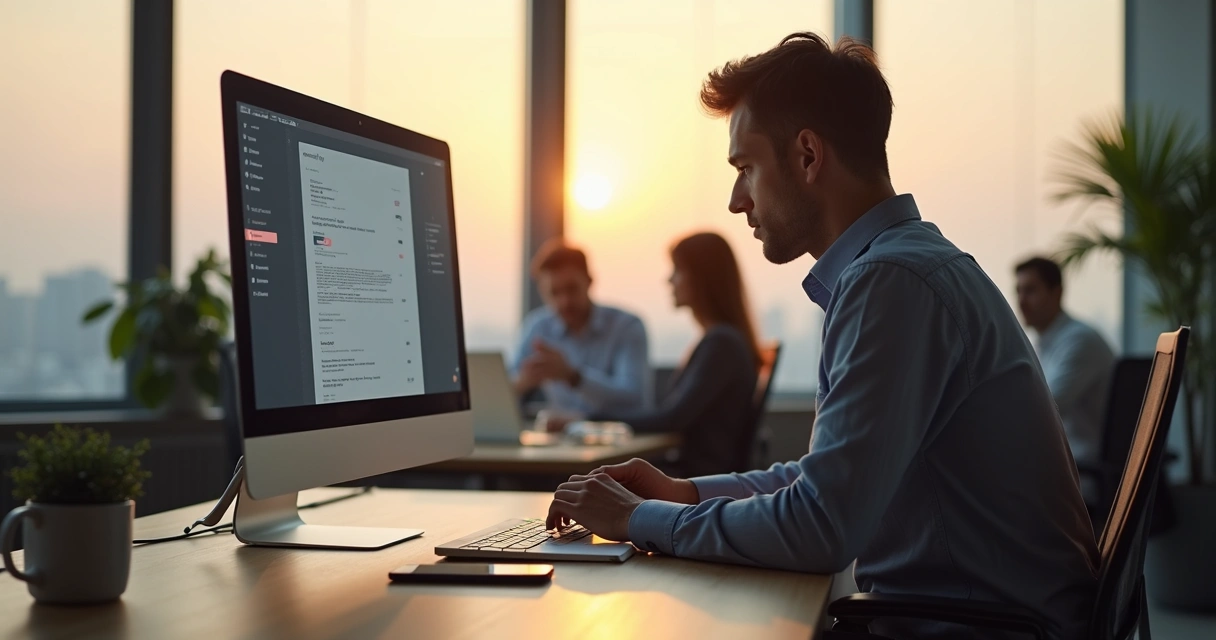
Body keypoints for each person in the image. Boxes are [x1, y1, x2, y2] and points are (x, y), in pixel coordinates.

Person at [546, 33, 1098, 640]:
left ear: (808, 156)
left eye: (745, 169)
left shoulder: (891, 281)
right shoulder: (902, 267)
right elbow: (824, 480)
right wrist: (684, 492)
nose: (736, 201)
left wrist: (642, 519)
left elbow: (822, 525)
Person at [544, 232, 761, 477]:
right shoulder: (720, 341)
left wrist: (585, 420)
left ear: (703, 279)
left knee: (585, 480)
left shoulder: (721, 344)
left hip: (695, 482)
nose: (670, 280)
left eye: (678, 270)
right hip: (692, 477)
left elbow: (672, 419)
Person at [512, 239, 651, 416]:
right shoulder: (538, 326)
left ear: (590, 281)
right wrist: (523, 382)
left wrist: (572, 377)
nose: (565, 301)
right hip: (563, 439)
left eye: (572, 289)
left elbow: (633, 397)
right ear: (542, 292)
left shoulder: (626, 327)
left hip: (619, 438)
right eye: (554, 293)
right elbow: (510, 385)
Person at [1016, 256, 1116, 475]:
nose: (1021, 301)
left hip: (1083, 471)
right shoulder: (1045, 344)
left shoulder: (1079, 341)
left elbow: (1043, 410)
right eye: (1019, 291)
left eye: (1030, 291)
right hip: (1067, 466)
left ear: (1057, 293)